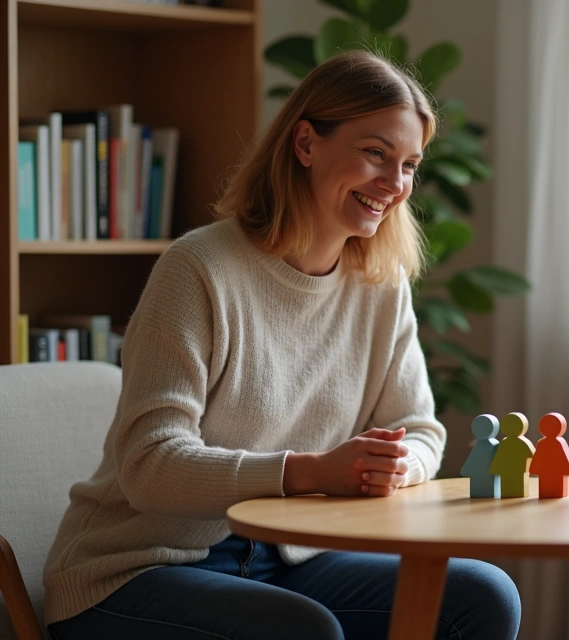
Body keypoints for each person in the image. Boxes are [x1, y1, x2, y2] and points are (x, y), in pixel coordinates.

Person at [43, 51, 521, 640]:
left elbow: (421, 428)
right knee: (301, 630)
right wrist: (311, 471)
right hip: (137, 569)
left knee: (481, 596)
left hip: (289, 557)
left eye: (409, 164)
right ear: (305, 143)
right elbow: (149, 466)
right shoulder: (199, 269)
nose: (395, 184)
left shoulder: (380, 284)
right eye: (375, 153)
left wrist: (391, 467)